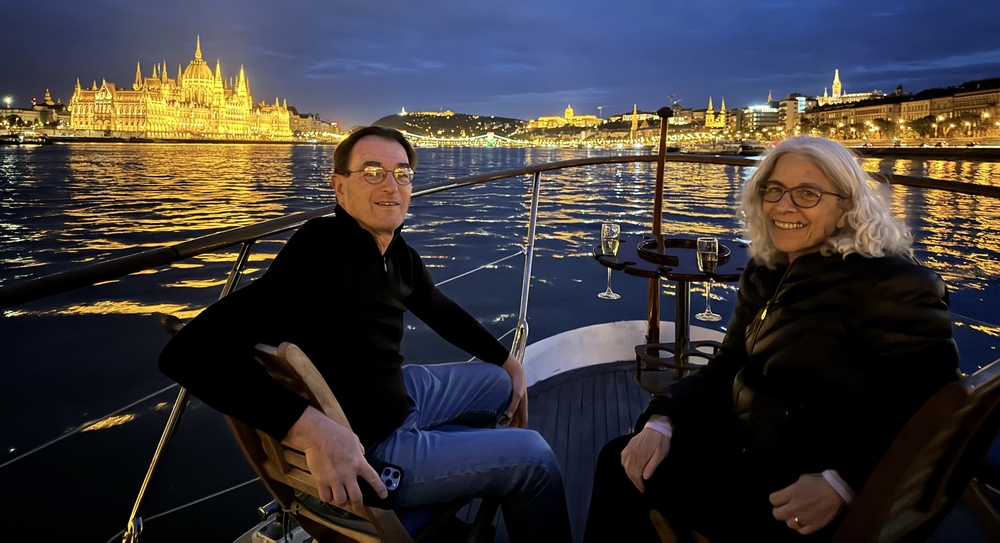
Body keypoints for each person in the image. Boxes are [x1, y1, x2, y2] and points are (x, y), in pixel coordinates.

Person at [160, 125, 571, 542]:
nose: (391, 185)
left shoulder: (394, 252)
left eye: (402, 173)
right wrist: (314, 432)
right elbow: (186, 352)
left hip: (395, 400)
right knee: (534, 457)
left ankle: (467, 483)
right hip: (372, 448)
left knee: (501, 383)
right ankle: (475, 479)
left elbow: (439, 309)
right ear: (340, 188)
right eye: (372, 171)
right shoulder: (320, 255)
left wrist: (508, 361)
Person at [584, 136, 960, 542]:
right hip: (750, 447)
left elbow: (935, 410)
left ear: (846, 208)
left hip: (804, 484)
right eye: (774, 189)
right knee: (623, 457)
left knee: (623, 475)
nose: (784, 205)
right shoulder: (767, 272)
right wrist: (663, 417)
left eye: (808, 193)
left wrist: (842, 482)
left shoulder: (891, 284)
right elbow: (726, 366)